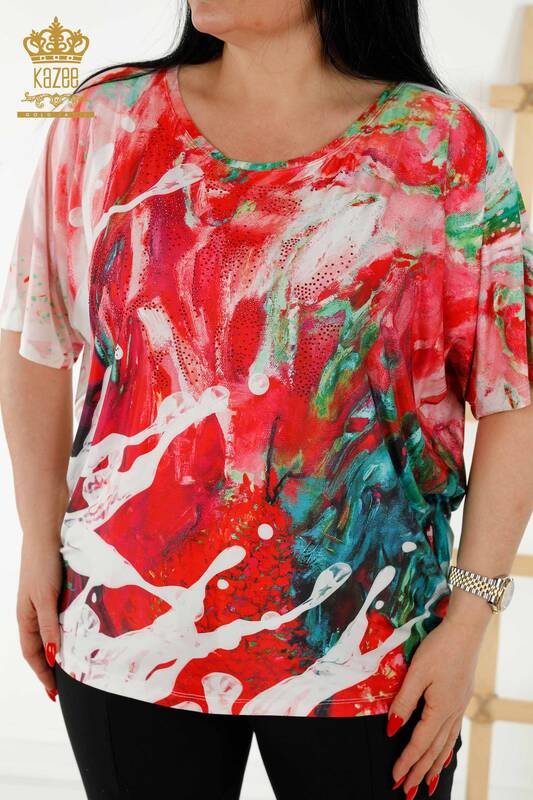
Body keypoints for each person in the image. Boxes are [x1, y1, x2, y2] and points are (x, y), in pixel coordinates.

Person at [1, 1, 532, 798]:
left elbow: (513, 395)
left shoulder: (436, 146)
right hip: (126, 631)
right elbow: (34, 340)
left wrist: (468, 623)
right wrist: (36, 543)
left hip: (371, 647)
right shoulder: (107, 122)